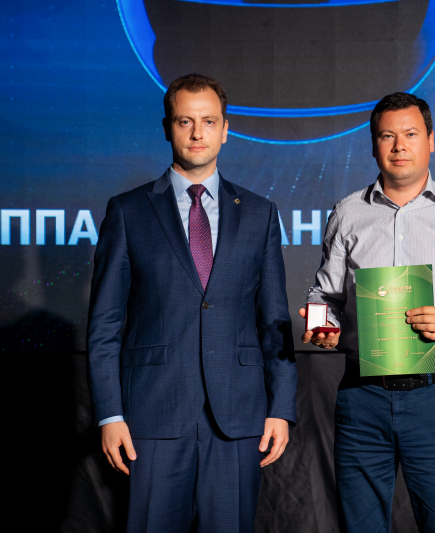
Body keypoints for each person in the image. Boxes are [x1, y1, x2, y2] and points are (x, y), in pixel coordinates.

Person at [87, 73, 296, 533]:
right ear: (167, 128)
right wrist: (110, 413)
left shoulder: (260, 213)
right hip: (151, 416)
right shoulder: (128, 211)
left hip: (238, 417)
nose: (197, 133)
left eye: (209, 121)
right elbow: (105, 324)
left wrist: (281, 406)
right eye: (185, 121)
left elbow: (275, 320)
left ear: (226, 129)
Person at [302, 92, 435, 531]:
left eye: (411, 134)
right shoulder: (348, 212)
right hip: (362, 398)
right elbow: (325, 295)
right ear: (373, 145)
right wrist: (323, 325)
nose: (399, 146)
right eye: (387, 136)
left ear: (430, 140)